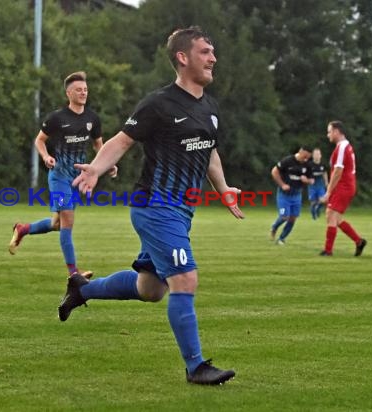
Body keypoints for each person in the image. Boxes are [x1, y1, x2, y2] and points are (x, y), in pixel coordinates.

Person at [58, 26, 244, 385]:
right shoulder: (159, 103)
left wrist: (223, 189)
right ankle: (196, 368)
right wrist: (96, 168)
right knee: (185, 279)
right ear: (183, 57)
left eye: (212, 51)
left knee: (151, 289)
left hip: (181, 210)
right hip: (156, 206)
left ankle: (81, 288)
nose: (213, 58)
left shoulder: (209, 107)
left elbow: (209, 153)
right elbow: (122, 141)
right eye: (205, 51)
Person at [8, 71, 117, 278]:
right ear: (69, 93)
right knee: (68, 221)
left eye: (85, 89)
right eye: (79, 90)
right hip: (58, 178)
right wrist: (46, 156)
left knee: (56, 224)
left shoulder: (92, 118)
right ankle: (74, 272)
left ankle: (23, 229)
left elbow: (98, 144)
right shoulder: (57, 118)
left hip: (77, 179)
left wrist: (106, 163)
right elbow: (39, 140)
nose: (83, 93)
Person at [319, 121, 367, 256]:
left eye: (329, 131)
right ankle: (359, 241)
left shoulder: (341, 147)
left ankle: (328, 251)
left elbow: (338, 170)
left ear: (336, 131)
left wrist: (328, 191)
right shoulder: (345, 146)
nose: (328, 134)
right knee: (336, 218)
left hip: (344, 186)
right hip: (345, 185)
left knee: (330, 214)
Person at [269, 147, 314, 245]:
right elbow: (274, 171)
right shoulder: (288, 161)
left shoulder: (307, 165)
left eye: (308, 158)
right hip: (284, 195)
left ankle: (281, 238)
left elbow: (312, 180)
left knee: (292, 218)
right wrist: (282, 184)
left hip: (297, 195)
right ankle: (274, 227)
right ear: (301, 151)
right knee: (284, 216)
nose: (306, 159)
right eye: (305, 156)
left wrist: (307, 180)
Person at [307, 148, 328, 220]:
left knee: (323, 200)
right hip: (312, 186)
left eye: (318, 154)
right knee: (313, 202)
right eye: (315, 154)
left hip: (320, 185)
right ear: (313, 156)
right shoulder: (309, 165)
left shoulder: (323, 165)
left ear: (320, 156)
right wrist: (308, 180)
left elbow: (324, 173)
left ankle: (318, 209)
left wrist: (326, 182)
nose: (317, 156)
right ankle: (313, 215)